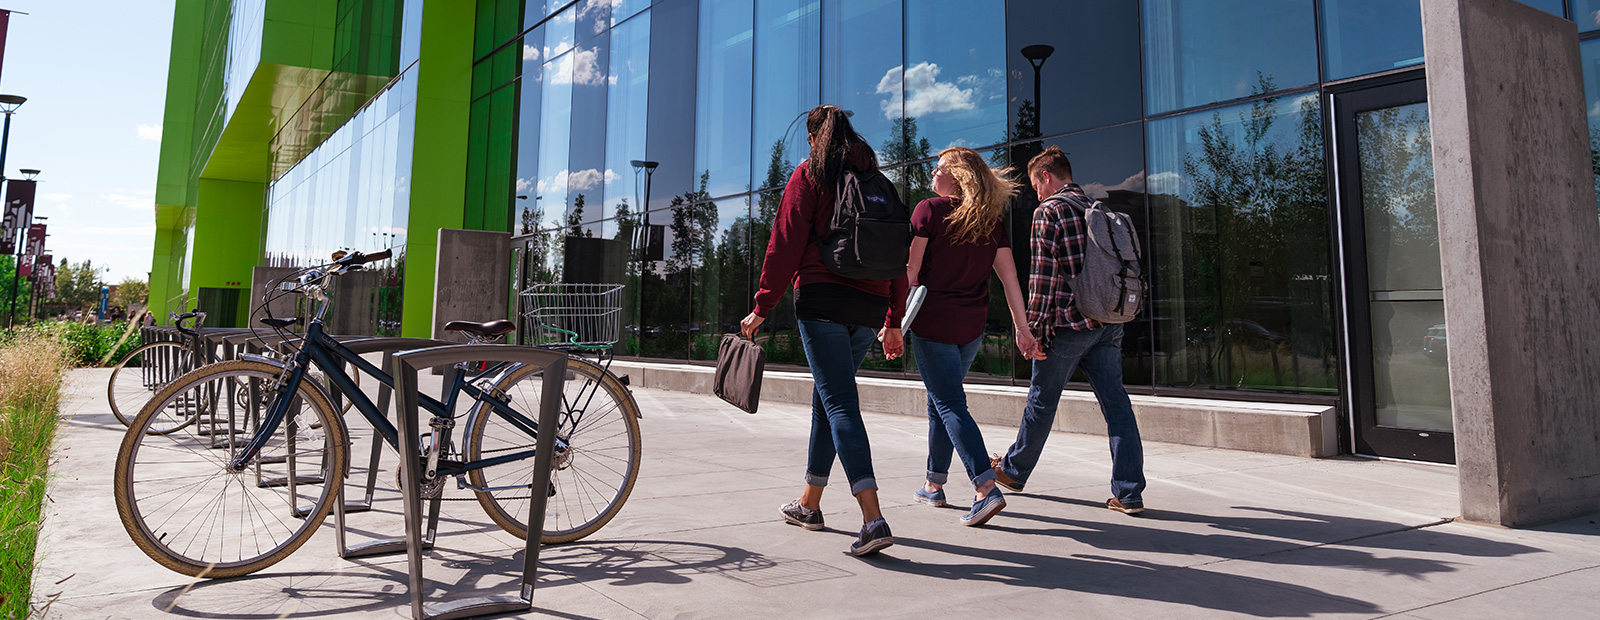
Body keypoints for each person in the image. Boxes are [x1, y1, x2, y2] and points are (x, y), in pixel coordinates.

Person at [741, 104, 908, 556]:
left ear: (815, 138)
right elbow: (897, 254)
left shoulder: (811, 174)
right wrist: (894, 319)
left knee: (839, 403)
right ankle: (809, 504)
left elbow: (785, 240)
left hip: (824, 303)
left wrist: (762, 306)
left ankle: (873, 518)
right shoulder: (877, 180)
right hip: (870, 306)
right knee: (827, 398)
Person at [991, 146, 1147, 515]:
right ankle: (1128, 492)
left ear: (1046, 176)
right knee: (1117, 404)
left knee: (1041, 401)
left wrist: (1032, 329)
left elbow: (1042, 278)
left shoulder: (1050, 211)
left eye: (1035, 185)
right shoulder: (1099, 209)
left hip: (1068, 325)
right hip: (1108, 323)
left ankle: (1013, 472)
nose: (1036, 193)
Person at [904, 146, 1039, 527]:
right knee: (941, 402)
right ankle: (933, 484)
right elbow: (1010, 278)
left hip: (933, 325)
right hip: (971, 329)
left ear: (958, 176)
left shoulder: (928, 211)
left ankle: (984, 487)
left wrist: (892, 319)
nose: (933, 174)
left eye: (940, 168)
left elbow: (910, 272)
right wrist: (1021, 328)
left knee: (949, 403)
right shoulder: (991, 222)